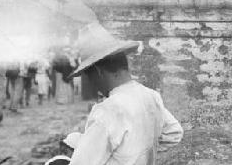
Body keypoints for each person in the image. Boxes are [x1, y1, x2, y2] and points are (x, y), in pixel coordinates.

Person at [67, 25, 183, 165]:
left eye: (89, 76)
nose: (92, 83)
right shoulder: (151, 96)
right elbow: (174, 133)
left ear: (98, 71)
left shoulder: (107, 110)